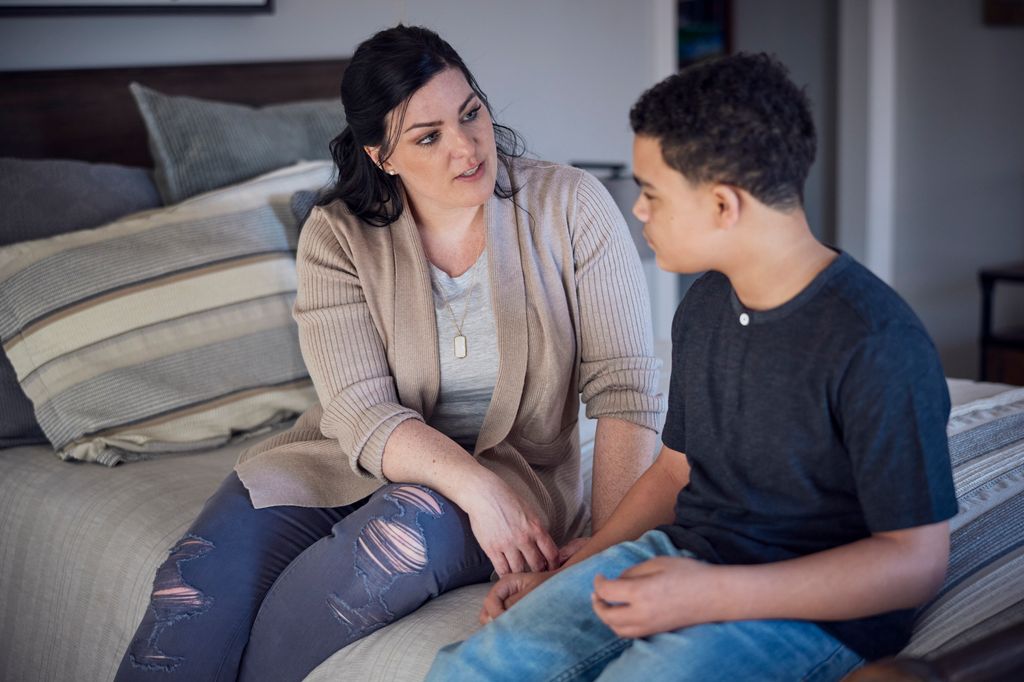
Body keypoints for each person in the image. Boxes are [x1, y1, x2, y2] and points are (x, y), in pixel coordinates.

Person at [114, 25, 664, 682]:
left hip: (512, 473)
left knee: (393, 540)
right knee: (192, 589)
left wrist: (598, 558)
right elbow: (360, 408)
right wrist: (477, 489)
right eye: (428, 136)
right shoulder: (336, 233)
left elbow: (626, 390)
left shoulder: (570, 205)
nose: (465, 147)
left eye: (471, 113)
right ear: (382, 155)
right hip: (343, 461)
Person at [427, 52, 958, 682]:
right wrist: (570, 570)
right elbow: (675, 471)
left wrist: (711, 595)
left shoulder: (876, 342)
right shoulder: (705, 304)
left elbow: (916, 562)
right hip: (683, 557)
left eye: (652, 192)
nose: (640, 211)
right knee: (475, 668)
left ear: (723, 206)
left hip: (811, 611)